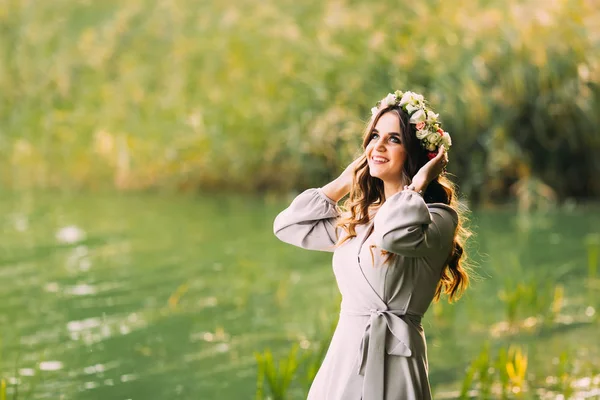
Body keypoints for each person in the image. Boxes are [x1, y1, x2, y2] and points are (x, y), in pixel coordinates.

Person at [273, 90, 472, 400]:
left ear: (416, 154)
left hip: (395, 366)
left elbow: (394, 235)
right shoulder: (358, 217)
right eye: (375, 135)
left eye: (393, 139)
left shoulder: (436, 218)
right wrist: (343, 182)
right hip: (342, 366)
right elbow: (287, 226)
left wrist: (416, 185)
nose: (378, 145)